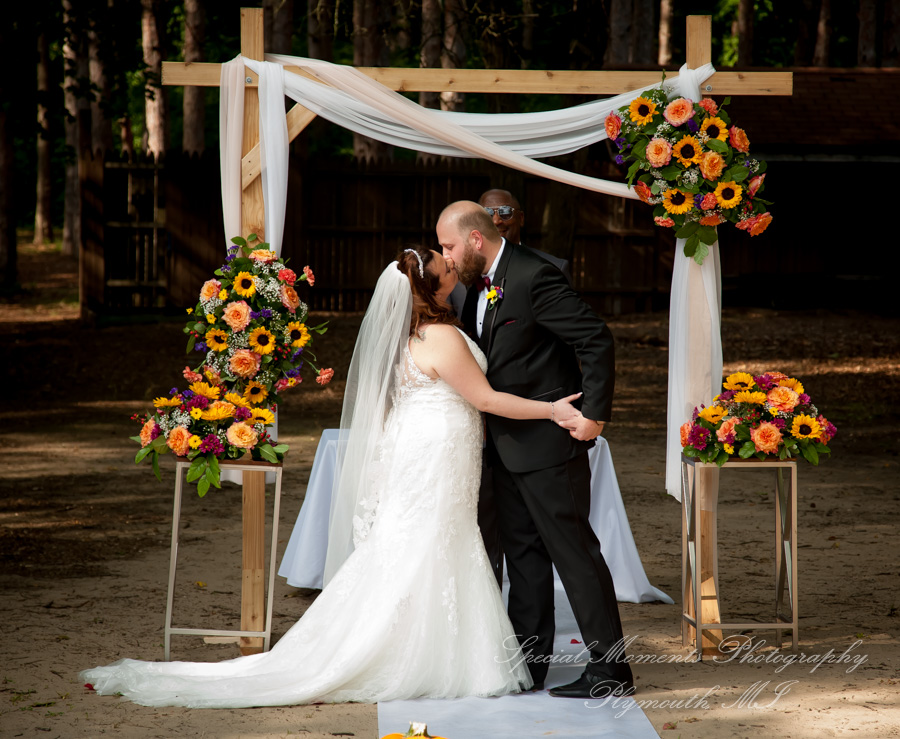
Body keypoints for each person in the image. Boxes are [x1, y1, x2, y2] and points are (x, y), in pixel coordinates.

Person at [79, 246, 582, 708]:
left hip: (429, 443)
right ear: (432, 287)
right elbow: (487, 399)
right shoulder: (443, 337)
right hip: (439, 448)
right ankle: (424, 654)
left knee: (425, 540)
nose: (454, 265)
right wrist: (552, 410)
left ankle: (421, 642)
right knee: (432, 538)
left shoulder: (413, 337)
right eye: (446, 265)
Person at [437, 201, 634, 699]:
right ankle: (529, 663)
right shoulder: (471, 289)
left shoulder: (534, 276)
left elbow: (595, 339)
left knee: (574, 555)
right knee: (523, 557)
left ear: (476, 240)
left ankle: (611, 670)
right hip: (503, 447)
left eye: (450, 246)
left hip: (550, 446)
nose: (447, 257)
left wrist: (594, 414)